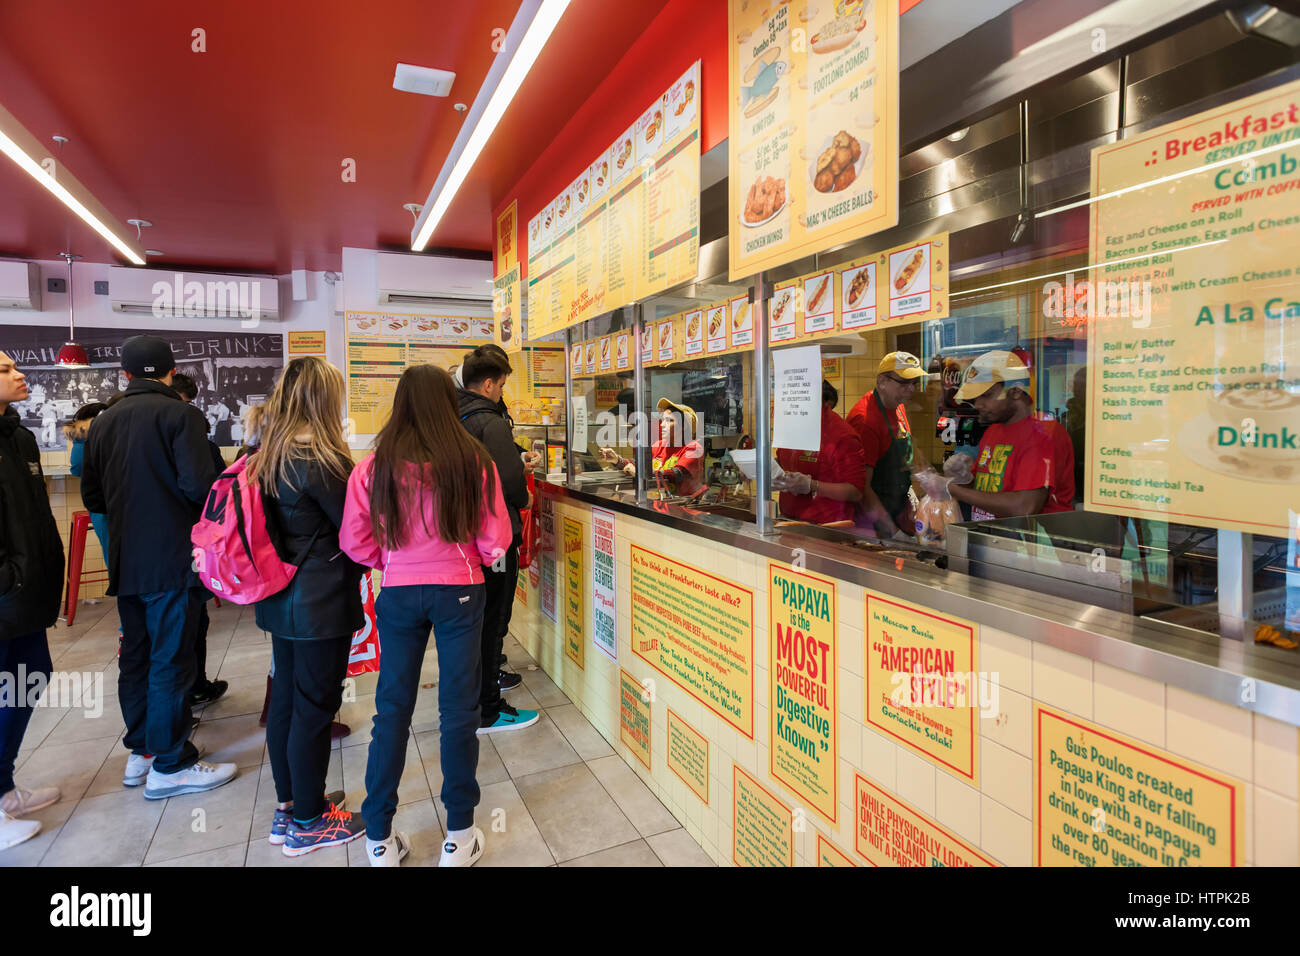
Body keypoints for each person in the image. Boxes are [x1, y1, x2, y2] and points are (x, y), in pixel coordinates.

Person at [341, 364, 512, 868]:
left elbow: (355, 541)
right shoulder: (471, 460)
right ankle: (458, 836)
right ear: (448, 402)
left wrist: (393, 559)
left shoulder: (372, 466)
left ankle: (378, 840)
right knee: (458, 711)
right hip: (460, 592)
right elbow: (496, 539)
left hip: (397, 592)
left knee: (390, 710)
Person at [80, 335, 237, 799]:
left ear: (125, 375)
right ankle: (171, 765)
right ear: (171, 371)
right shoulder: (180, 415)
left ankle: (143, 752)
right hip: (173, 560)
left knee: (137, 657)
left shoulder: (104, 421)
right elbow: (200, 488)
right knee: (172, 658)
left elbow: (93, 496)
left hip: (127, 562)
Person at [249, 357, 366, 856]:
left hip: (279, 594)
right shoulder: (323, 461)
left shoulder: (265, 453)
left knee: (287, 703)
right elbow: (357, 532)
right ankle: (309, 821)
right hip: (320, 601)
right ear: (323, 400)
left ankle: (292, 804)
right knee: (315, 709)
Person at [0, 351, 64, 850]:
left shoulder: (18, 436)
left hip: (27, 592)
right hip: (7, 589)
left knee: (29, 675)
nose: (18, 375)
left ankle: (3, 788)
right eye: (4, 370)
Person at [457, 348, 539, 732]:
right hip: (496, 537)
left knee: (478, 620)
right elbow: (509, 484)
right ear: (488, 384)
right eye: (502, 384)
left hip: (466, 537)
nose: (501, 391)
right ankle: (489, 708)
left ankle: (475, 698)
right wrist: (523, 492)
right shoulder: (489, 421)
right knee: (495, 619)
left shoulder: (452, 415)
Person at [946, 350, 1074, 519]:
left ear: (1016, 390)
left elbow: (1024, 507)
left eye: (986, 395)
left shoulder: (1041, 433)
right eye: (975, 398)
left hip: (1033, 539)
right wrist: (963, 477)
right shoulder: (994, 430)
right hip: (995, 536)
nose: (978, 405)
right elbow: (985, 491)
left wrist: (951, 488)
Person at [171, 373, 229, 710]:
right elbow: (211, 491)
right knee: (187, 619)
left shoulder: (118, 424)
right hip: (189, 543)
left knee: (180, 623)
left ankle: (190, 690)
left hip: (141, 553)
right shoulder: (195, 437)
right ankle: (188, 693)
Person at [847, 352, 925, 538]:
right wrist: (893, 532)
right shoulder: (866, 421)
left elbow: (905, 451)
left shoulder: (897, 405)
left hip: (896, 509)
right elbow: (863, 488)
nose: (912, 389)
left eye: (915, 383)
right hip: (871, 523)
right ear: (882, 381)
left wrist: (911, 493)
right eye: (904, 383)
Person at [773, 380, 866, 524]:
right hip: (788, 520)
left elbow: (855, 492)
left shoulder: (842, 435)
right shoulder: (793, 424)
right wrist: (766, 470)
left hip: (825, 527)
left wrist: (812, 485)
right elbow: (783, 461)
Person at [65, 402, 110, 555]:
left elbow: (77, 468)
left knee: (114, 556)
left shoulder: (84, 435)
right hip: (129, 502)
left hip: (102, 503)